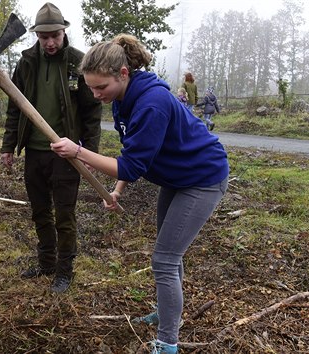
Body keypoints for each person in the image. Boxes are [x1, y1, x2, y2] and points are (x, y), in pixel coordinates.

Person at [50, 34, 229, 353]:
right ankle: (167, 310)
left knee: (164, 258)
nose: (95, 94)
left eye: (100, 87)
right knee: (169, 255)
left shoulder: (151, 102)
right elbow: (132, 151)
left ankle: (168, 342)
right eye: (91, 87)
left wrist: (78, 151)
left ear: (123, 73)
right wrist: (116, 190)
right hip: (178, 176)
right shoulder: (123, 98)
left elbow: (130, 166)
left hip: (202, 177)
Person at [0, 2, 102, 294]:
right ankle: (46, 263)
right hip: (34, 152)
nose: (50, 42)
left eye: (55, 35)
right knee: (40, 210)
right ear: (36, 36)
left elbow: (92, 113)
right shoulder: (26, 63)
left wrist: (90, 153)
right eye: (44, 37)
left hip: (67, 155)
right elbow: (14, 109)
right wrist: (9, 146)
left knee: (65, 213)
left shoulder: (78, 63)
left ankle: (64, 270)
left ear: (63, 31)